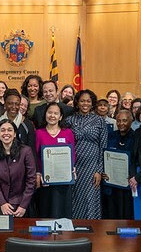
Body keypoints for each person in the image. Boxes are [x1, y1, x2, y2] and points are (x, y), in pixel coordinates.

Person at [66, 90, 108, 219]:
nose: (85, 103)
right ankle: (75, 227)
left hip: (92, 168)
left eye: (88, 101)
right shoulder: (69, 120)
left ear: (92, 103)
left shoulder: (99, 121)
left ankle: (91, 229)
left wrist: (99, 170)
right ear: (77, 102)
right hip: (74, 167)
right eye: (82, 100)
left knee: (90, 198)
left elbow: (103, 147)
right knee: (75, 198)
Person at [34, 102, 75, 218]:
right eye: (49, 112)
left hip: (63, 180)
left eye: (56, 113)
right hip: (45, 181)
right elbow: (35, 156)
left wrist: (72, 168)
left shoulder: (67, 133)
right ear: (45, 114)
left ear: (60, 116)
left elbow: (72, 153)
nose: (52, 116)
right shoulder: (39, 133)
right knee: (46, 211)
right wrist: (38, 173)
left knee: (63, 212)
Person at [0, 120, 37, 217]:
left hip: (22, 205)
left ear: (15, 134)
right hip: (1, 205)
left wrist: (23, 205)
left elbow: (31, 179)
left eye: (9, 130)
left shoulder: (25, 151)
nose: (6, 133)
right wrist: (2, 203)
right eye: (2, 130)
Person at [102, 110, 135, 219]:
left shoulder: (135, 137)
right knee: (111, 214)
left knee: (125, 214)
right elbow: (104, 155)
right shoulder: (110, 136)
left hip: (127, 184)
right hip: (111, 182)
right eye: (119, 120)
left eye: (125, 120)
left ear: (131, 121)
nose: (121, 123)